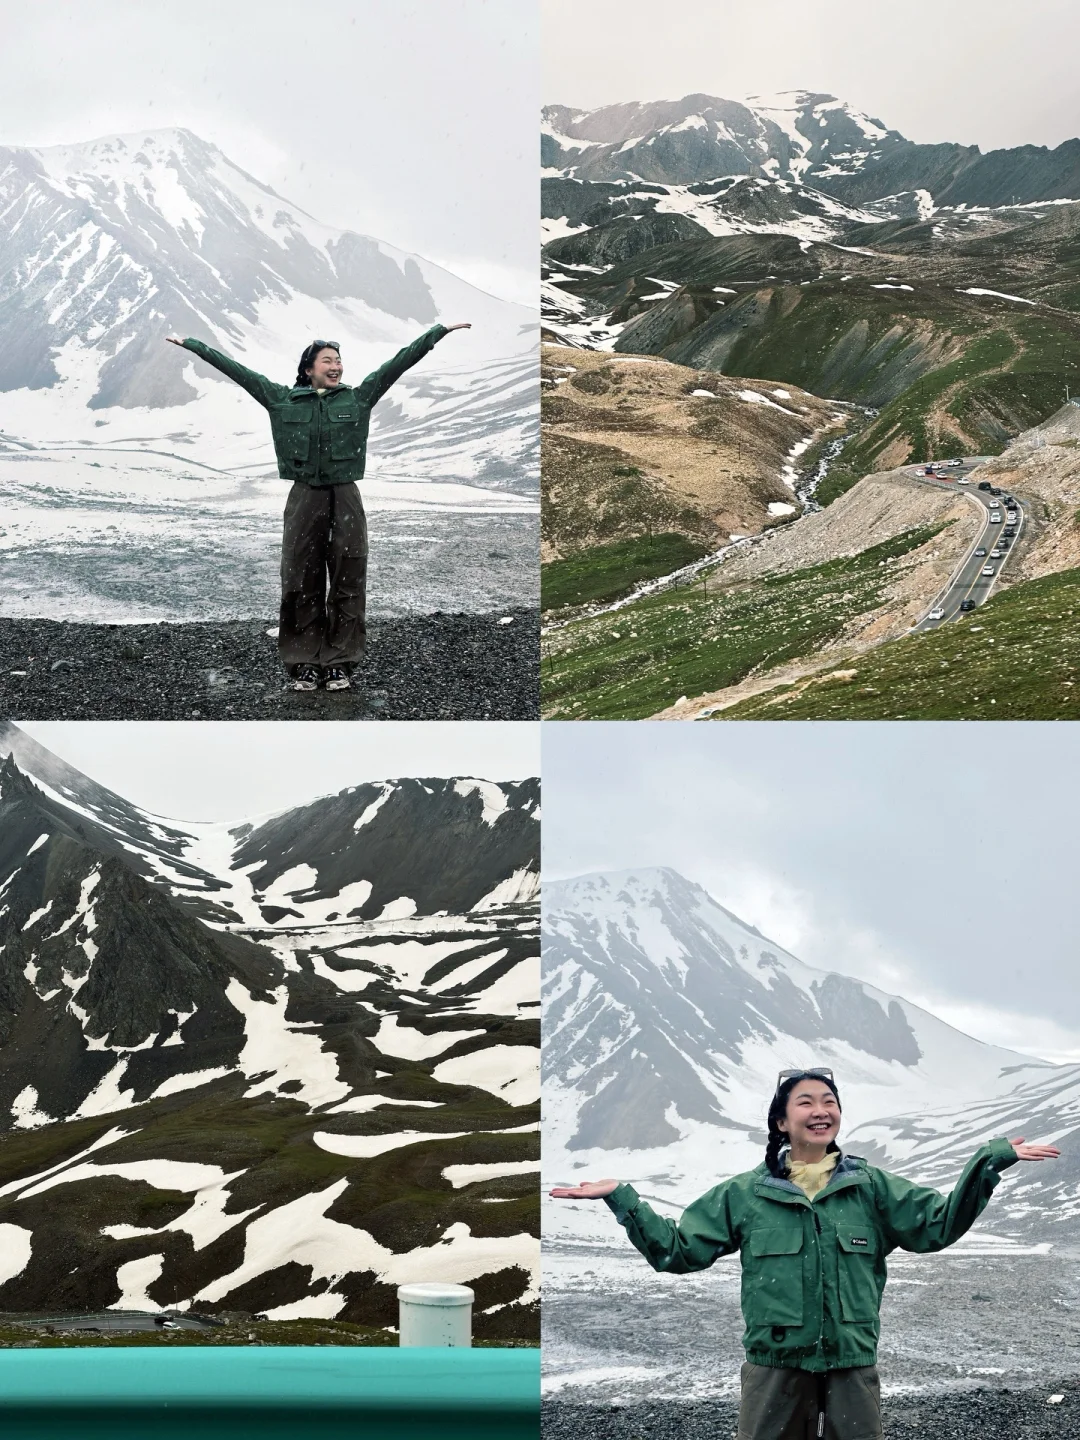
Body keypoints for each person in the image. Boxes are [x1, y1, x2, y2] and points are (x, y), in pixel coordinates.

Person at [550, 1067, 1060, 1440]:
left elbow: (939, 1225)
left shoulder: (872, 1187)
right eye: (807, 1102)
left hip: (851, 1367)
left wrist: (989, 1161)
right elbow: (678, 1252)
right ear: (781, 1122)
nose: (822, 1110)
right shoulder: (745, 1194)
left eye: (830, 1101)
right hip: (774, 1368)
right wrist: (623, 1198)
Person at [166, 322, 472, 691]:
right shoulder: (281, 399)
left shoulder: (358, 398)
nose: (336, 365)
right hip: (304, 496)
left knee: (348, 577)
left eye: (339, 360)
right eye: (328, 360)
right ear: (309, 368)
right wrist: (194, 345)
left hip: (345, 495)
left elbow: (398, 363)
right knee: (300, 578)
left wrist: (438, 332)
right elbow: (238, 372)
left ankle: (339, 662)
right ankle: (304, 662)